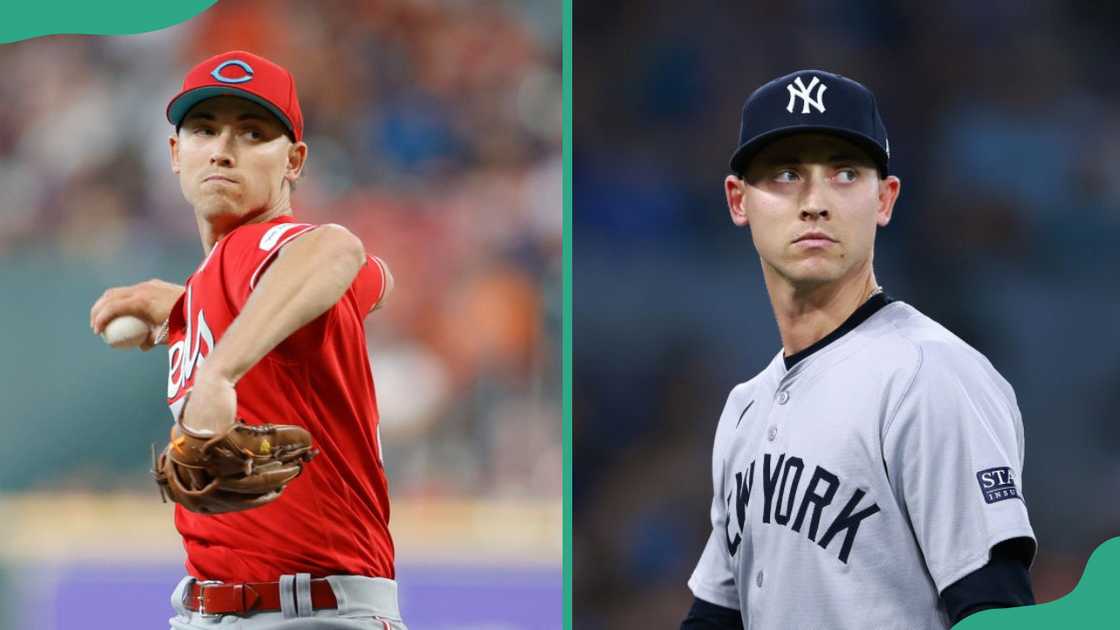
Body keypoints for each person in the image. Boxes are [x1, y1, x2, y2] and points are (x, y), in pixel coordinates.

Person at [679, 69, 1036, 629]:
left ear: (884, 200)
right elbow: (715, 618)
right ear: (738, 200)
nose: (815, 202)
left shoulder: (929, 375)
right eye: (786, 173)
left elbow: (993, 608)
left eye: (845, 174)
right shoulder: (745, 408)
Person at [89, 50, 405, 629]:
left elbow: (339, 249)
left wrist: (218, 372)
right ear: (175, 153)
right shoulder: (234, 278)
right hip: (222, 609)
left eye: (253, 132)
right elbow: (377, 279)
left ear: (295, 161)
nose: (223, 149)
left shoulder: (265, 244)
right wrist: (190, 306)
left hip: (309, 612)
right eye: (204, 129)